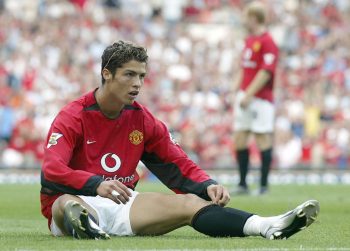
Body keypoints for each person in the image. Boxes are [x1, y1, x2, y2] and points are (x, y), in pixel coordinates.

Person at [40, 40, 319, 240]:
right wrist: (96, 184)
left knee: (190, 204)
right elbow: (52, 169)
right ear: (106, 74)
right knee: (68, 205)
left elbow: (176, 161)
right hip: (74, 199)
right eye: (129, 75)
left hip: (122, 204)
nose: (137, 83)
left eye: (142, 76)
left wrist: (207, 185)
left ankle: (267, 226)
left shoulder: (142, 118)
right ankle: (86, 225)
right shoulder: (73, 115)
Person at [232, 1, 279, 195]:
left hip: (260, 98)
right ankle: (243, 184)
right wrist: (236, 90)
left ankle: (263, 186)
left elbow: (266, 72)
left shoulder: (268, 42)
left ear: (253, 18)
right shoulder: (249, 40)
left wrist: (249, 93)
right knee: (240, 139)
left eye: (246, 17)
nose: (244, 20)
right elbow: (246, 68)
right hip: (245, 95)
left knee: (261, 138)